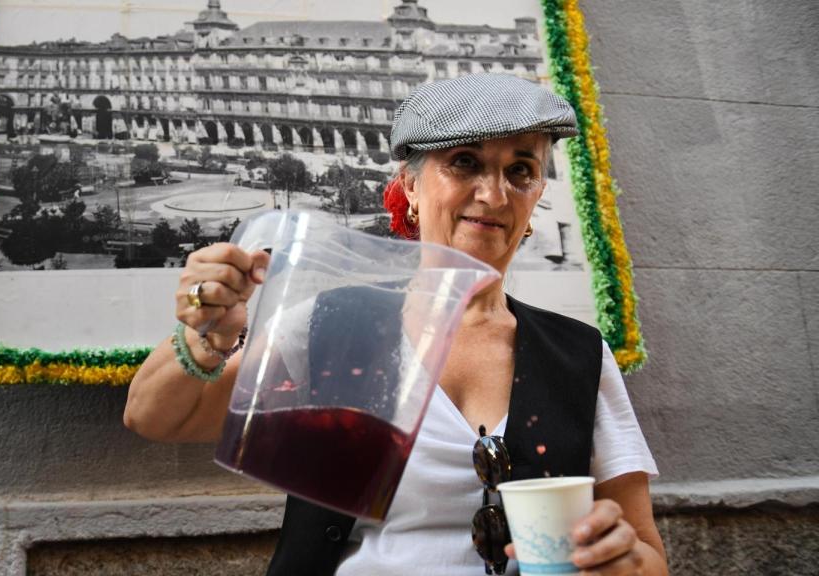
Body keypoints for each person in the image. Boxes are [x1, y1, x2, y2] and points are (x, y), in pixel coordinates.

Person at [124, 74, 667, 576]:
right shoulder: (333, 324)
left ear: (537, 194)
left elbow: (647, 553)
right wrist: (208, 333)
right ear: (410, 186)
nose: (494, 193)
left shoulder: (577, 353)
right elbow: (154, 417)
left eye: (520, 170)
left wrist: (622, 561)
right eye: (465, 162)